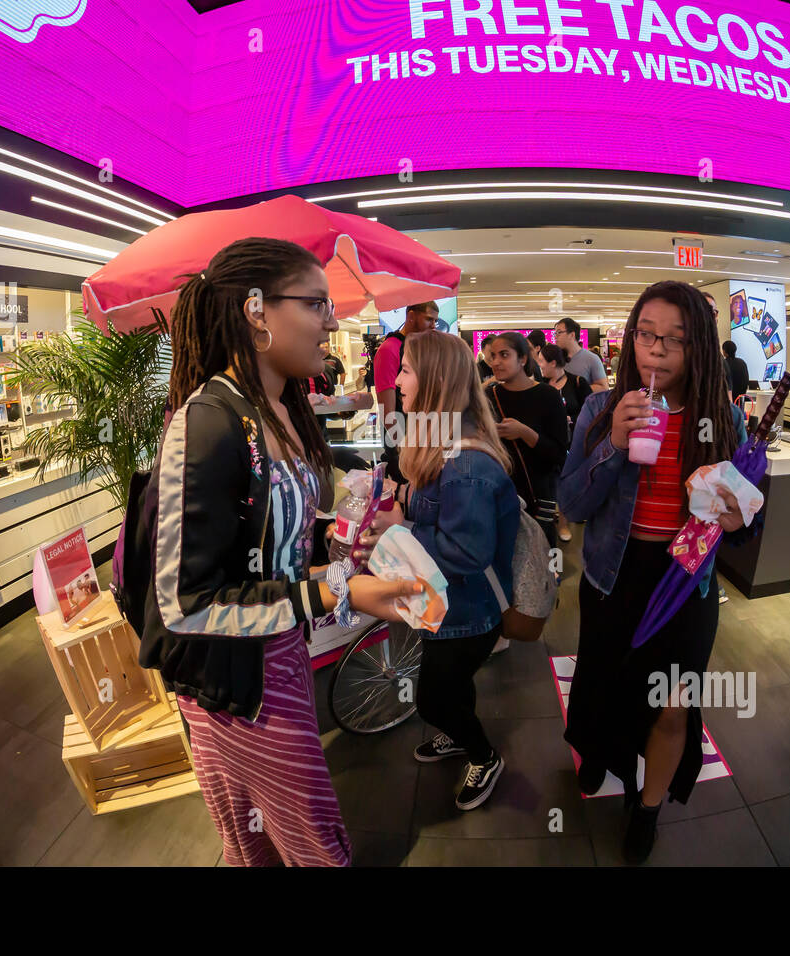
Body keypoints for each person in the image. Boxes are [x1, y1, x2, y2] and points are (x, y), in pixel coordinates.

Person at [146, 237, 421, 866]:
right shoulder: (208, 420)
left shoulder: (278, 404)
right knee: (307, 843)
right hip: (238, 682)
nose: (334, 321)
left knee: (294, 835)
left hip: (280, 652)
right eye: (316, 303)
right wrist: (337, 589)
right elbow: (185, 604)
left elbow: (267, 539)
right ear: (255, 311)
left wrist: (335, 539)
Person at [560, 280, 754, 864]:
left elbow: (743, 521)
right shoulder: (601, 407)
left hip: (684, 582)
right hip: (612, 575)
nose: (658, 351)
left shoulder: (722, 418)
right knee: (602, 682)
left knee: (674, 702)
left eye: (676, 340)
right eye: (647, 336)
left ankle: (647, 808)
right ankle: (597, 750)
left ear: (698, 348)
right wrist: (615, 441)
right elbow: (570, 505)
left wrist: (737, 516)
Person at [354, 331, 519, 809]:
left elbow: (466, 552)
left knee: (431, 699)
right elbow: (437, 505)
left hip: (469, 612)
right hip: (452, 605)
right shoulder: (449, 443)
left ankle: (484, 755)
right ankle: (459, 732)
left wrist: (394, 534)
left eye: (405, 369)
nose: (397, 380)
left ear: (435, 381)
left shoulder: (465, 459)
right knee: (450, 687)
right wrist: (403, 501)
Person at [485, 331, 570, 548]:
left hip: (538, 496)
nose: (495, 362)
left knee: (543, 564)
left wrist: (525, 432)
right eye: (492, 356)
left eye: (504, 355)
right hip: (499, 495)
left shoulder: (548, 396)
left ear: (523, 359)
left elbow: (560, 455)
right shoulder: (488, 396)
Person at [374, 301, 440, 483]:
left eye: (435, 320)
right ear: (411, 316)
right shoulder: (390, 349)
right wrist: (406, 452)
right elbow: (388, 411)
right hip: (403, 447)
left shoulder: (416, 349)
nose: (433, 325)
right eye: (429, 319)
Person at [537, 343, 592, 543]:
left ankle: (563, 523)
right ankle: (551, 522)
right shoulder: (540, 385)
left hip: (572, 443)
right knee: (549, 484)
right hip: (546, 442)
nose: (539, 365)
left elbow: (591, 413)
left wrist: (571, 419)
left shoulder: (577, 383)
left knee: (566, 483)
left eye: (542, 360)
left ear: (553, 363)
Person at [553, 317, 609, 392]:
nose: (555, 336)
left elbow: (603, 387)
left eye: (559, 332)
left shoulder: (591, 359)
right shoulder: (556, 359)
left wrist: (576, 389)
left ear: (572, 335)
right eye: (555, 333)